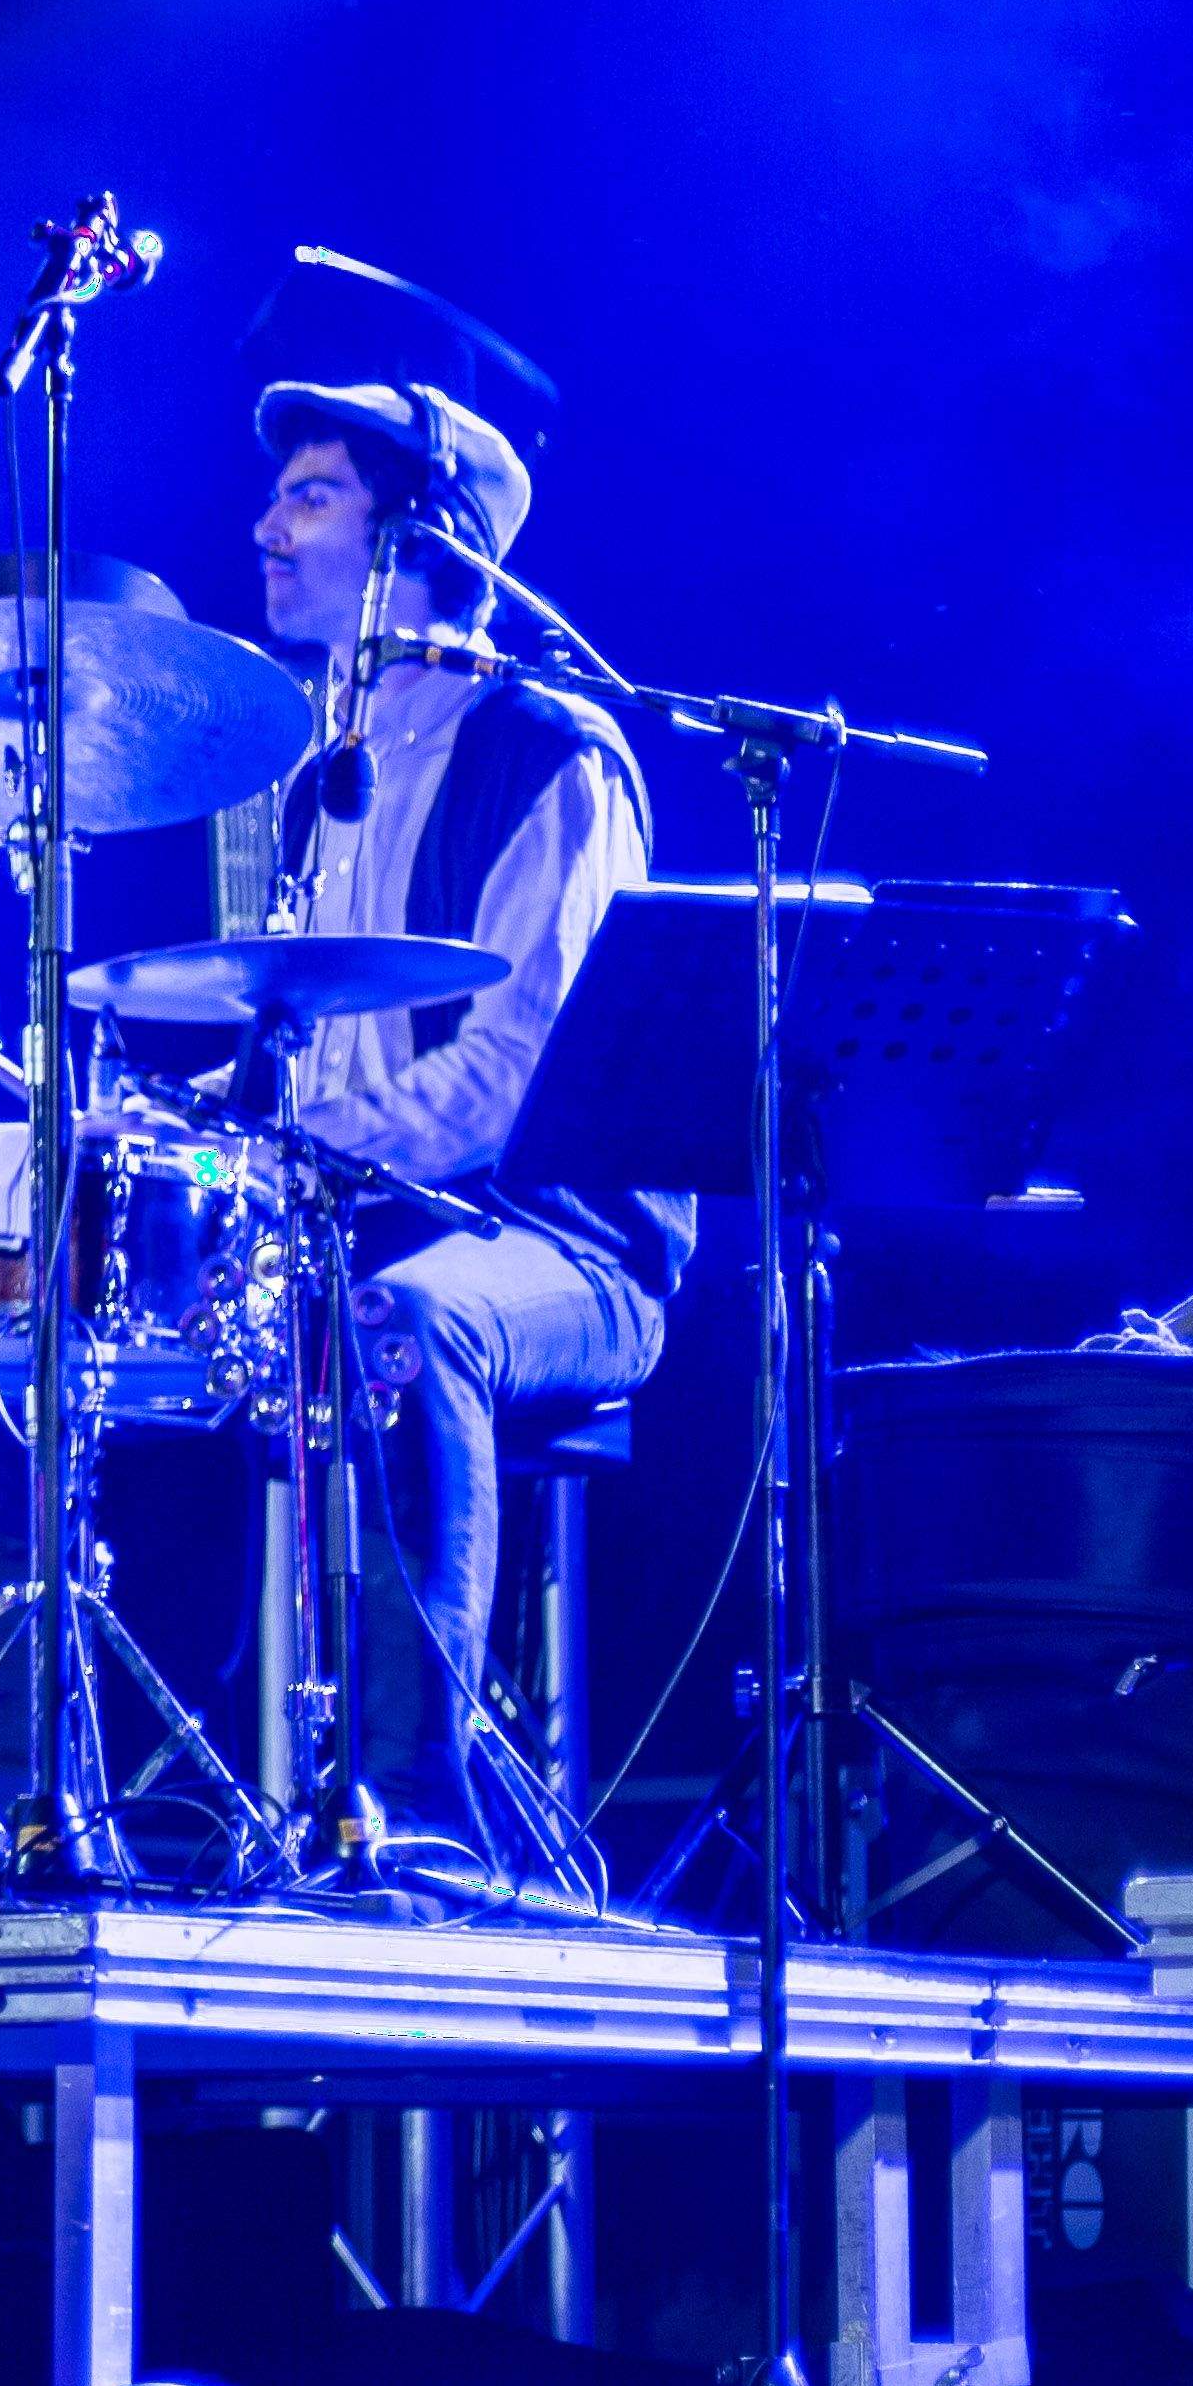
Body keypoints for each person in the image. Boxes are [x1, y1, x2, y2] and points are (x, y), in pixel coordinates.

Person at [242, 381, 682, 1859]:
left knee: (404, 1322)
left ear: (420, 538)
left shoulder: (551, 756)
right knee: (44, 1333)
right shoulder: (313, 788)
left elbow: (514, 1085)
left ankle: (420, 1814)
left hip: (566, 1257)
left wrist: (300, 1164)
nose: (269, 526)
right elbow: (305, 1069)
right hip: (369, 1236)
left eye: (311, 496)